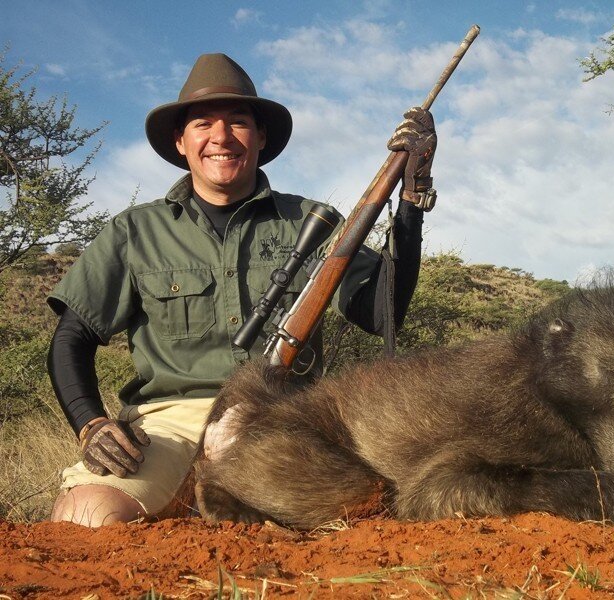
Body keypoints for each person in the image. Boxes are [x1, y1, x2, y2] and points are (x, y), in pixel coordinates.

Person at [47, 53, 437, 527]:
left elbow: (382, 314)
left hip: (281, 416)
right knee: (87, 515)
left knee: (340, 521)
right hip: (168, 422)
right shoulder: (135, 230)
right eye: (203, 124)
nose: (221, 138)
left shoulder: (312, 222)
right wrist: (91, 423)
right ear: (180, 140)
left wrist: (411, 201)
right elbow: (72, 338)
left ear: (261, 136)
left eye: (238, 122)